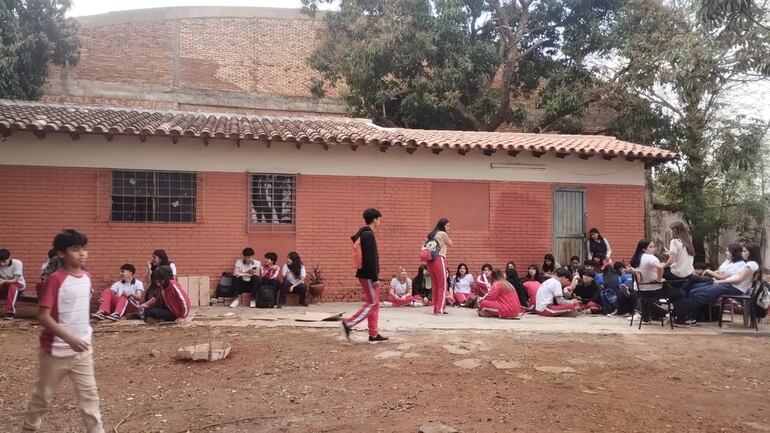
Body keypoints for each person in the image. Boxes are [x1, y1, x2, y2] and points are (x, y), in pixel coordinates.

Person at [22, 229, 104, 433]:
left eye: (84, 249)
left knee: (90, 399)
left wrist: (81, 338)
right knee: (43, 396)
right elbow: (43, 316)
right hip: (55, 352)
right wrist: (70, 338)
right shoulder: (55, 280)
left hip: (83, 351)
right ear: (61, 253)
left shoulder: (86, 277)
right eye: (76, 249)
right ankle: (29, 428)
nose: (82, 253)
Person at [679, 243, 762, 327]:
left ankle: (682, 316)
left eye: (744, 251)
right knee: (694, 291)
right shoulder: (750, 264)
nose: (742, 253)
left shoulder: (751, 265)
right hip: (729, 285)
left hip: (732, 287)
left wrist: (721, 281)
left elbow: (739, 280)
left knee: (698, 295)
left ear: (751, 252)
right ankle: (687, 317)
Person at [342, 208, 388, 342]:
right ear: (375, 219)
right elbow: (370, 258)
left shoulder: (365, 233)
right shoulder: (368, 234)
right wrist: (374, 278)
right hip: (368, 275)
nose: (380, 222)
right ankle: (348, 323)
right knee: (372, 303)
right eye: (379, 219)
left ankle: (373, 334)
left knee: (374, 304)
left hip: (366, 274)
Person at [629, 239, 685, 324]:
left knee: (646, 298)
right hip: (654, 291)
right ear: (644, 249)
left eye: (654, 246)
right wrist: (659, 279)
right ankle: (678, 319)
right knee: (680, 294)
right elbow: (660, 267)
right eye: (651, 247)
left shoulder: (635, 259)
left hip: (639, 291)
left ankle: (646, 318)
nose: (654, 248)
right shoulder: (651, 258)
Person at [425, 218, 453, 315]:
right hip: (439, 259)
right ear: (443, 226)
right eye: (447, 226)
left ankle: (436, 308)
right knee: (442, 285)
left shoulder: (431, 234)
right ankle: (439, 309)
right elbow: (451, 244)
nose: (448, 228)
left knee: (435, 285)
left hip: (429, 261)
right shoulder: (442, 233)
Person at [0, 248, 26, 319]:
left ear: (10, 257)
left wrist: (4, 281)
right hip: (4, 285)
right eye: (0, 261)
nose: (2, 263)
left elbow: (15, 280)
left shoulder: (17, 263)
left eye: (4, 261)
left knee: (12, 286)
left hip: (18, 285)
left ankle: (10, 312)